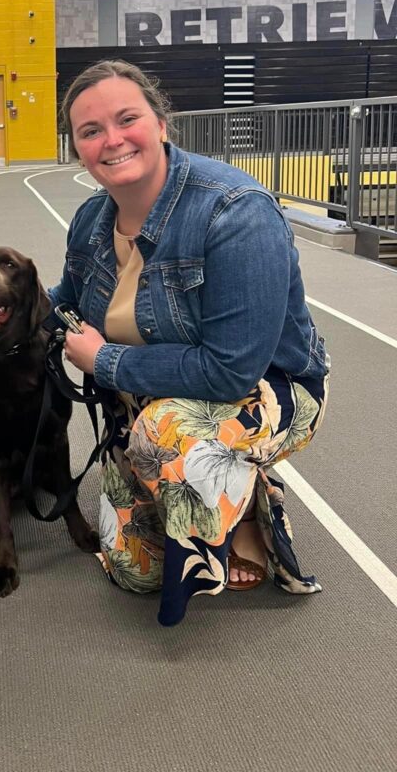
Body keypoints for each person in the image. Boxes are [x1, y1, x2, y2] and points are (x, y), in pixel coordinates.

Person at [51, 59, 330, 627]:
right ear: (77, 147)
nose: (112, 140)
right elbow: (64, 302)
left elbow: (229, 371)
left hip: (265, 393)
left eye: (127, 119)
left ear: (161, 124)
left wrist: (104, 360)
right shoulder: (89, 221)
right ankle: (216, 488)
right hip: (150, 397)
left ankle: (247, 508)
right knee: (133, 572)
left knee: (168, 434)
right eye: (90, 131)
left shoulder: (235, 212)